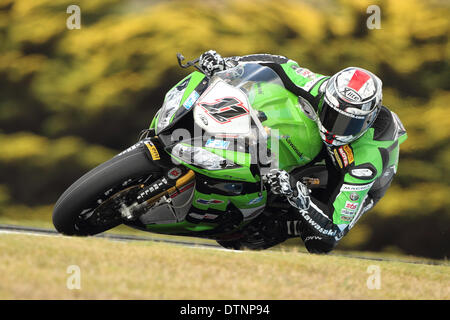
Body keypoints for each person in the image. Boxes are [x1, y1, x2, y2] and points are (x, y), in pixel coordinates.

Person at [198, 50, 407, 253]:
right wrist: (228, 63)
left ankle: (289, 225)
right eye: (330, 114)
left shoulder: (367, 162)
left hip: (355, 168)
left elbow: (332, 230)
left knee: (318, 241)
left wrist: (294, 191)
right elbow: (279, 65)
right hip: (325, 146)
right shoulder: (320, 88)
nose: (335, 127)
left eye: (347, 124)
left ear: (367, 121)